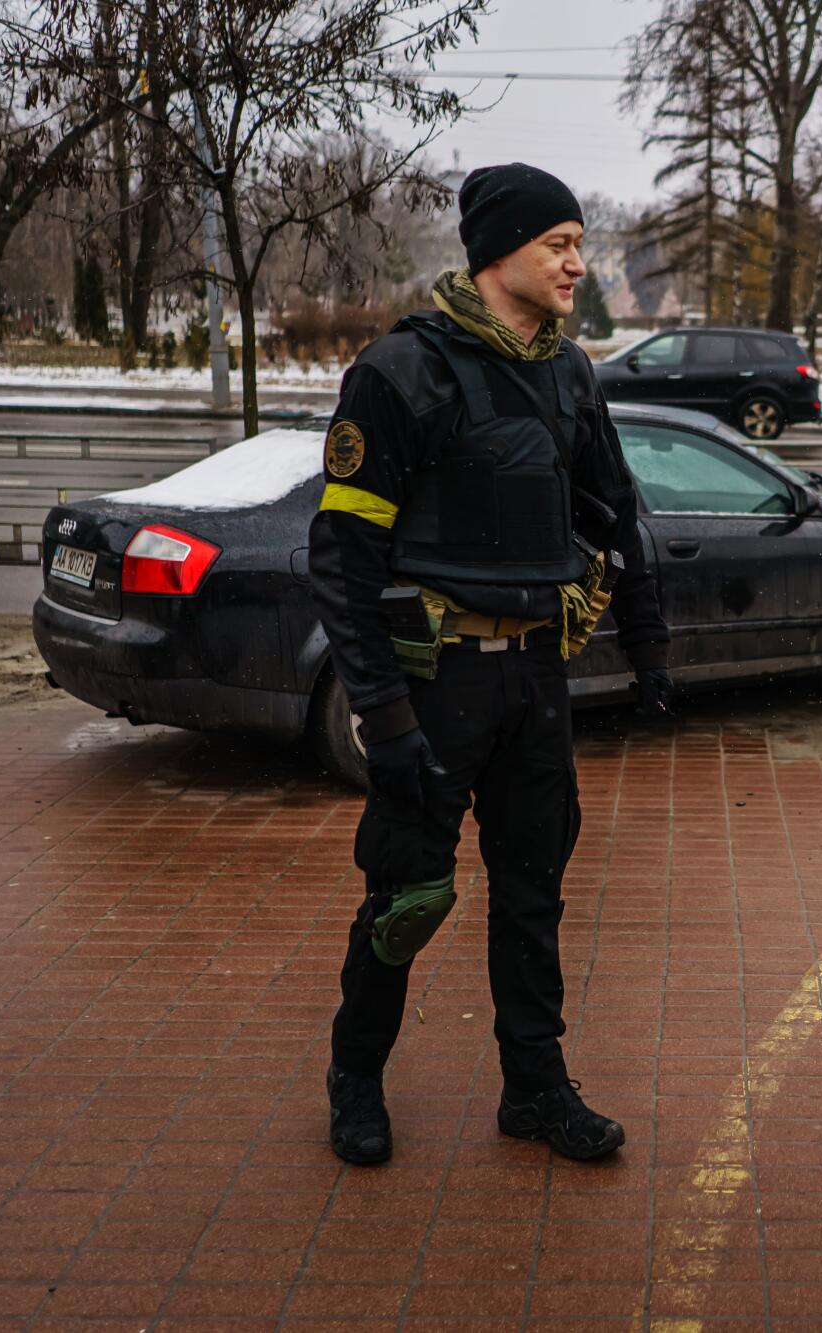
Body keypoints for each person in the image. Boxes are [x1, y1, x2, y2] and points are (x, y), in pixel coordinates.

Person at [308, 163, 673, 1165]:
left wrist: (646, 641)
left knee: (530, 894)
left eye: (576, 241)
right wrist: (382, 719)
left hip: (533, 682)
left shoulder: (566, 372)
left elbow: (615, 508)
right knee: (406, 895)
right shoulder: (400, 373)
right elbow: (342, 560)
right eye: (557, 242)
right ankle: (355, 1076)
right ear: (496, 251)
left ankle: (535, 1088)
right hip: (434, 683)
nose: (575, 261)